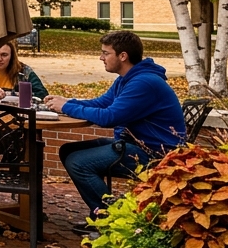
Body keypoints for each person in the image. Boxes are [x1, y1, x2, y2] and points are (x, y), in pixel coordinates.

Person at [45, 31, 186, 231]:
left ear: (123, 56)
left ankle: (112, 220)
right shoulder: (126, 79)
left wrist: (66, 108)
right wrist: (66, 102)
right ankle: (100, 214)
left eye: (105, 53)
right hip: (134, 144)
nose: (101, 58)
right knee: (67, 151)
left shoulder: (143, 83)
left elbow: (109, 117)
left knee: (78, 163)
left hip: (154, 154)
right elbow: (102, 103)